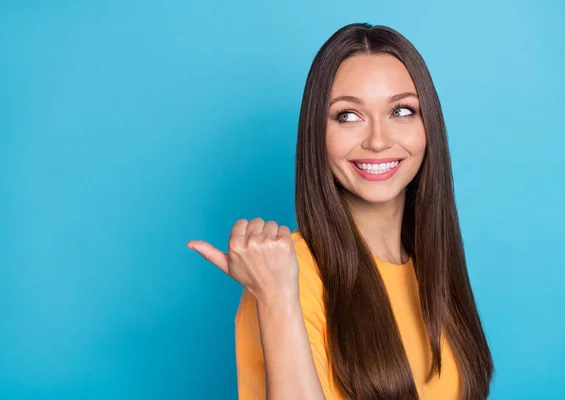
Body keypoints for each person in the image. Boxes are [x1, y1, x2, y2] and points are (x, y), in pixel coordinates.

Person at [187, 22, 494, 400]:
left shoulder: (431, 266)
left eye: (401, 110)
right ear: (318, 132)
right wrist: (276, 297)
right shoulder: (285, 274)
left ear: (429, 124)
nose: (379, 140)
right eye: (348, 115)